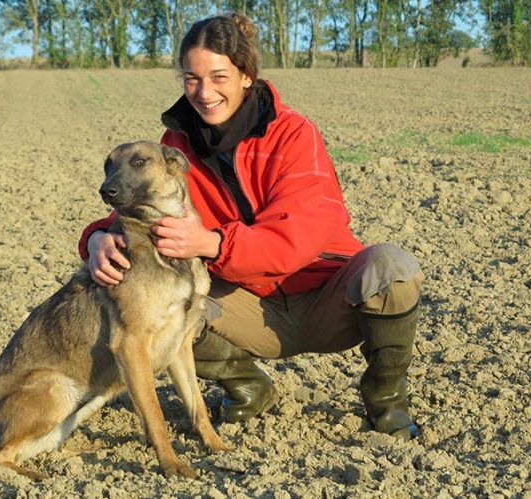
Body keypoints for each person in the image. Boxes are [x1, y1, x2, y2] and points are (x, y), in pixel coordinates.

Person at [78, 13, 423, 440]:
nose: (204, 92)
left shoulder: (294, 134)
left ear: (246, 75)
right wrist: (95, 238)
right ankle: (247, 387)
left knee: (391, 268)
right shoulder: (176, 147)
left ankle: (386, 401)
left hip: (325, 298)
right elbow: (137, 214)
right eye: (191, 78)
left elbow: (299, 234)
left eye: (218, 76)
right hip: (246, 307)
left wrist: (212, 243)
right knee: (174, 301)